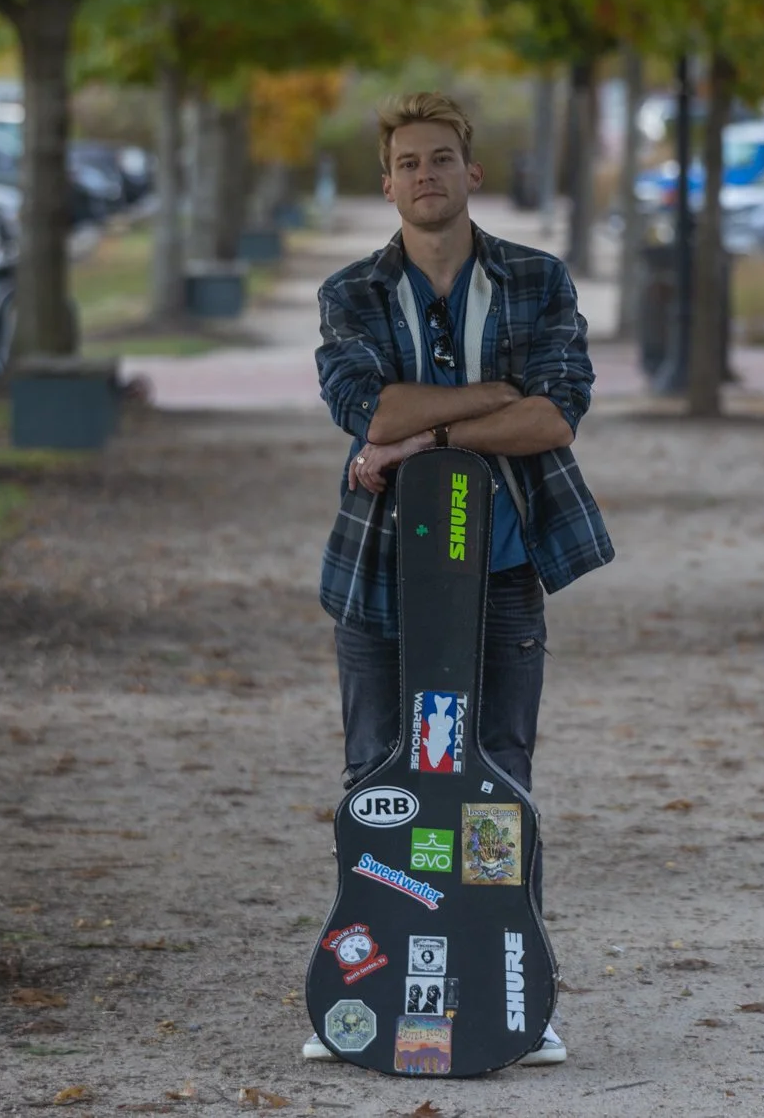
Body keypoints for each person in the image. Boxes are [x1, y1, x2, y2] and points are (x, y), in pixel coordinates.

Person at [302, 92, 614, 1066]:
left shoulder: (534, 279)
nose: (425, 176)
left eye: (442, 159)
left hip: (504, 569)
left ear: (471, 173)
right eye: (407, 163)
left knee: (498, 783)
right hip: (383, 574)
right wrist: (490, 399)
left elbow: (555, 416)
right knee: (376, 778)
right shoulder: (351, 293)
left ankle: (513, 989)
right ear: (386, 181)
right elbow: (368, 408)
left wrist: (426, 436)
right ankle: (365, 988)